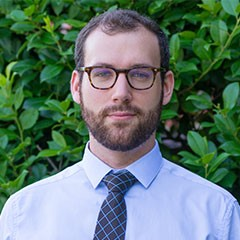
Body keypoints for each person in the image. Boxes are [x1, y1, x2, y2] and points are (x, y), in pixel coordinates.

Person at [0, 9, 240, 240]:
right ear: (76, 87)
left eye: (140, 73)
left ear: (166, 87)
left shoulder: (217, 215)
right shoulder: (22, 215)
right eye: (102, 73)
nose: (121, 93)